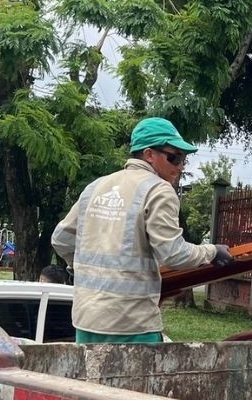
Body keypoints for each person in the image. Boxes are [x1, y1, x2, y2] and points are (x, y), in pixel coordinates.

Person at [52, 117, 233, 343]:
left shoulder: (96, 187)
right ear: (149, 154)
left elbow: (61, 239)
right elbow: (174, 254)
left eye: (183, 159)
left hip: (86, 322)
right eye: (174, 157)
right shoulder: (159, 190)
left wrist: (80, 267)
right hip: (131, 325)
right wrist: (212, 252)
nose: (180, 167)